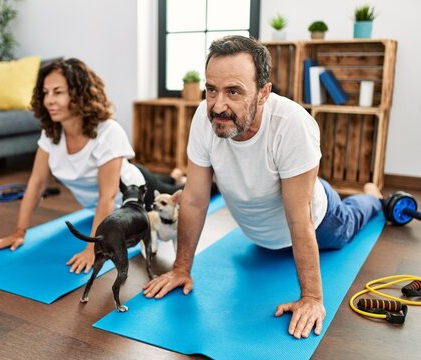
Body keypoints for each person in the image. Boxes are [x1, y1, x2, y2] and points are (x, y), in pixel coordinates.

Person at [143, 36, 383, 339]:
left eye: (233, 91)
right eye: (212, 89)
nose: (218, 105)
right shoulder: (203, 119)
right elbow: (194, 200)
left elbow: (300, 219)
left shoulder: (292, 124)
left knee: (352, 219)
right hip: (263, 234)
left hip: (321, 221)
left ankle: (372, 196)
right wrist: (180, 268)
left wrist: (312, 299)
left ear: (263, 93)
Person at [0, 57, 185, 273]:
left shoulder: (108, 131)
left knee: (183, 192)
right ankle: (175, 175)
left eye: (58, 92)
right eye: (45, 92)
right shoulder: (51, 134)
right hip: (110, 199)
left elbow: (107, 197)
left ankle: (189, 179)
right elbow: (36, 182)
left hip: (136, 195)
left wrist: (93, 248)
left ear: (79, 94)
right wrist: (19, 231)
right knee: (169, 180)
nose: (49, 100)